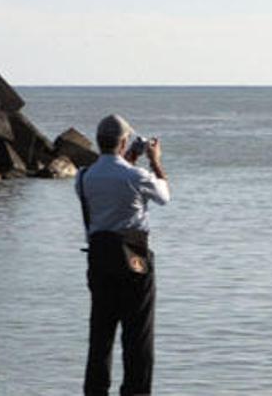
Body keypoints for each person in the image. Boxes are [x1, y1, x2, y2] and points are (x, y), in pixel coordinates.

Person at [76, 114, 171, 396]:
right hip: (135, 260)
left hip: (99, 260)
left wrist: (127, 157)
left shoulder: (83, 177)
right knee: (137, 336)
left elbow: (110, 178)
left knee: (100, 336)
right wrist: (154, 160)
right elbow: (164, 195)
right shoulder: (136, 175)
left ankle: (95, 392)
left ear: (98, 141)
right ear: (124, 141)